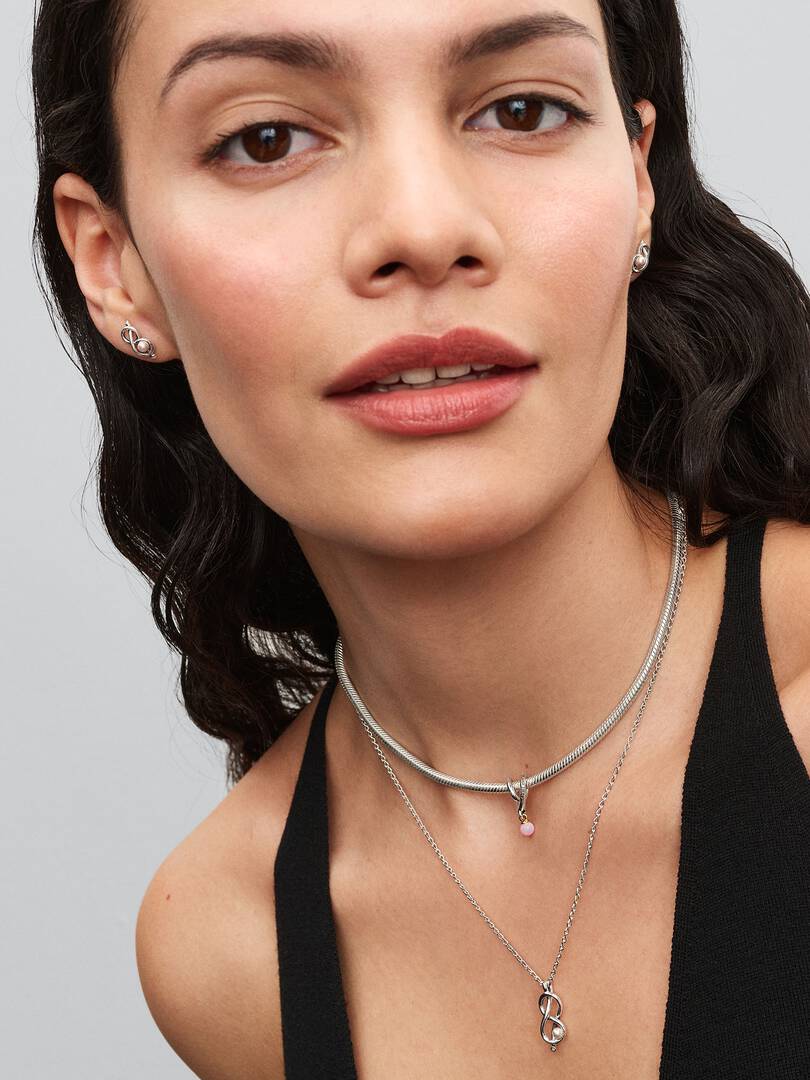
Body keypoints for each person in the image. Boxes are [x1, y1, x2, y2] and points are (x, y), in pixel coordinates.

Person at [31, 0, 810, 1076]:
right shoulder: (230, 945)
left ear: (637, 177)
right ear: (113, 261)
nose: (422, 228)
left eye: (524, 110)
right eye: (267, 139)